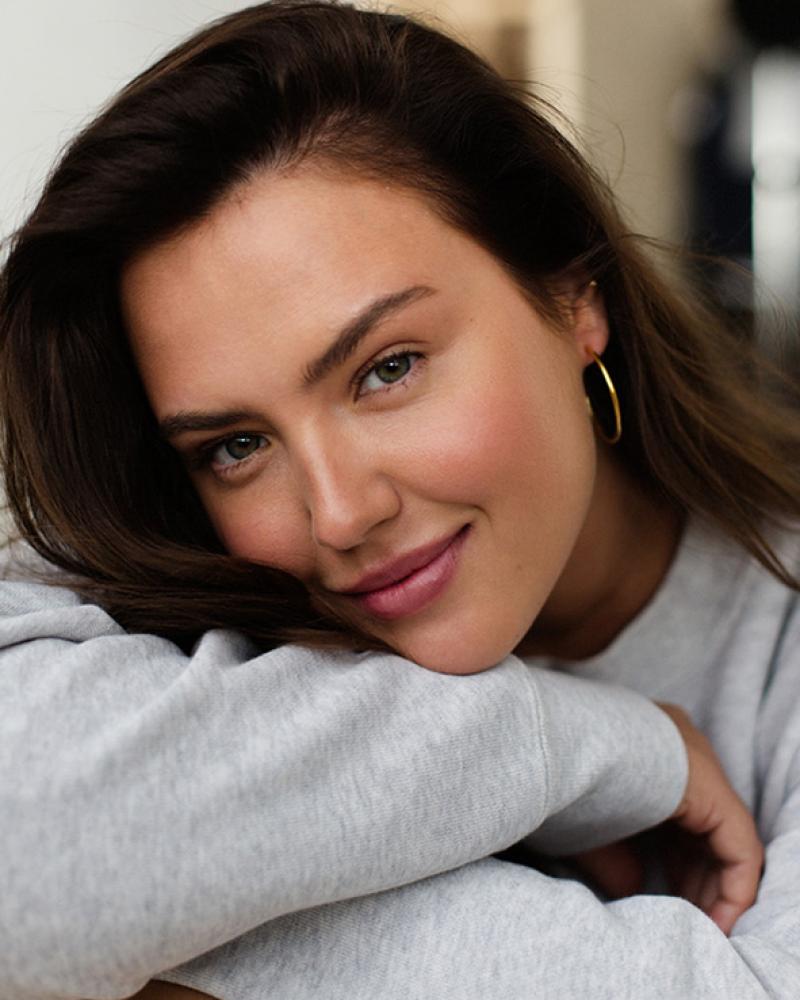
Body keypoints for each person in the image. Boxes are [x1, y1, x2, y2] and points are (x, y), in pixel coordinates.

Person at [0, 1, 798, 997]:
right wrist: (601, 748)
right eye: (236, 447)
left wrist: (171, 916)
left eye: (387, 368)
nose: (339, 515)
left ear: (572, 294)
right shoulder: (174, 569)